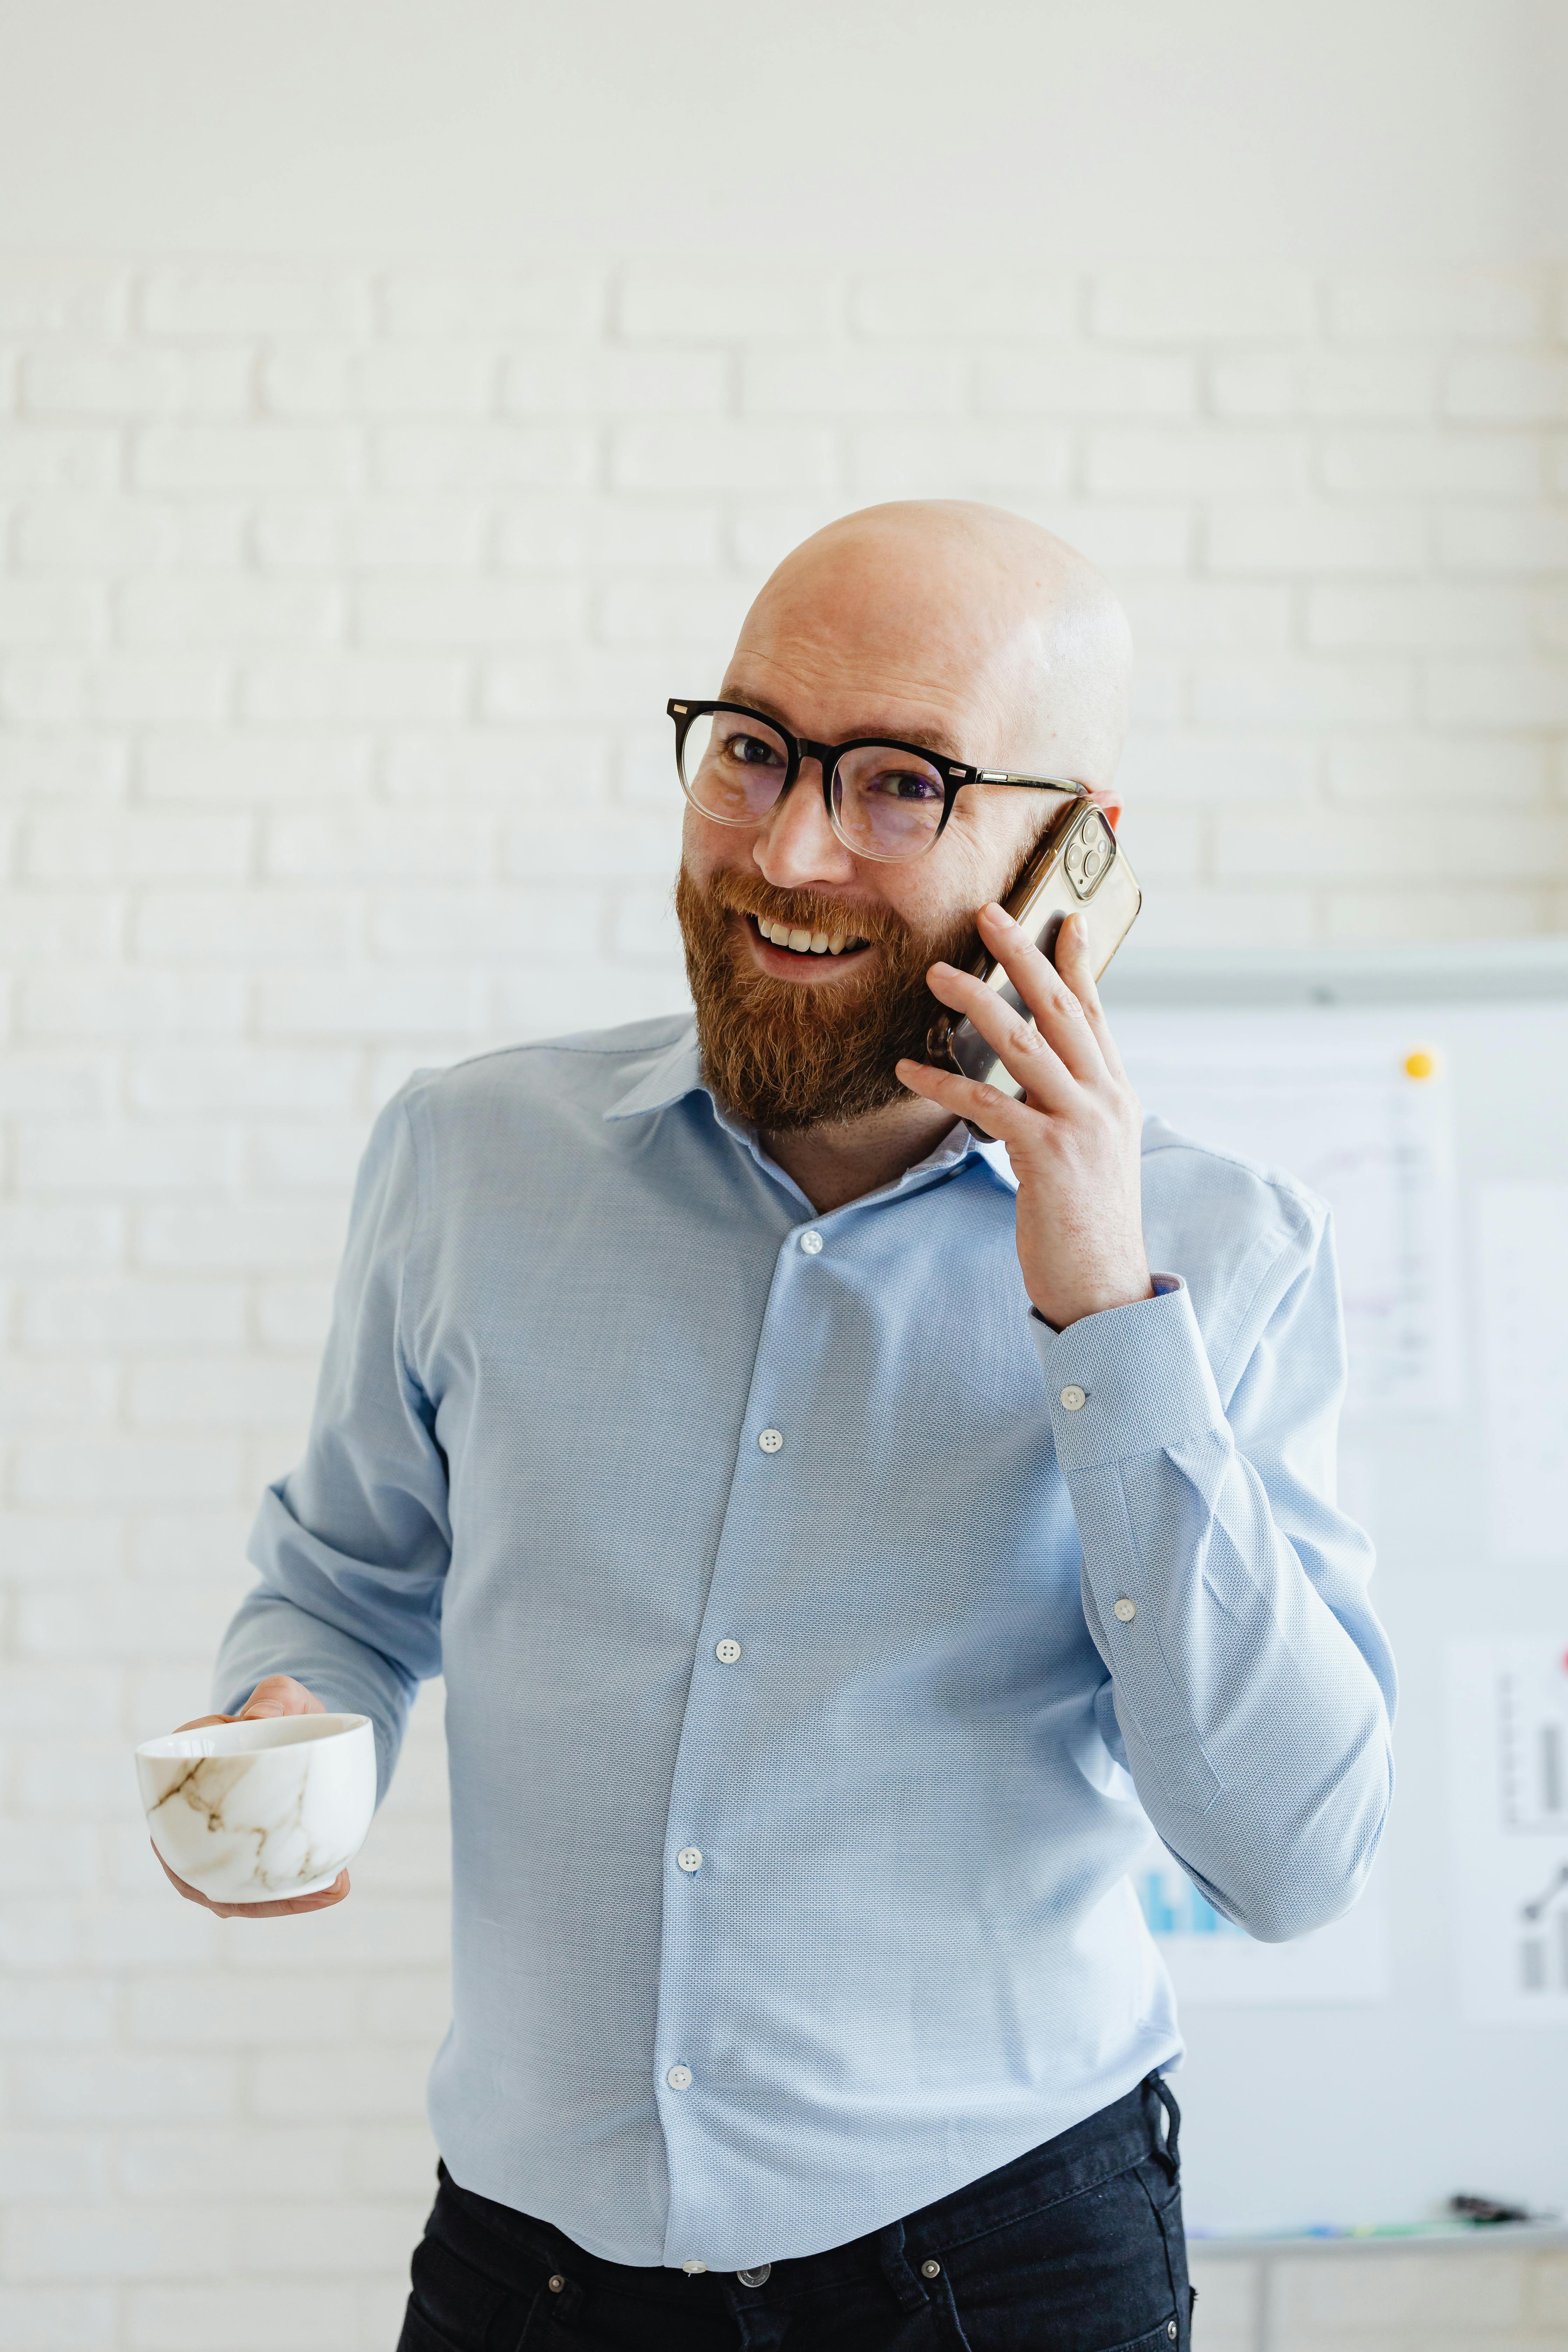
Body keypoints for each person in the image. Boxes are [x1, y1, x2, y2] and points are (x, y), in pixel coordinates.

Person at [164, 501, 1395, 2350]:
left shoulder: (1225, 1256)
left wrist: (1100, 1315)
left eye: (905, 783)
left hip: (996, 2275)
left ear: (1075, 853)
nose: (791, 851)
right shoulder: (466, 1163)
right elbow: (344, 1576)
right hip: (529, 2269)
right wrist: (283, 1706)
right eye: (752, 753)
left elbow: (1292, 1857)